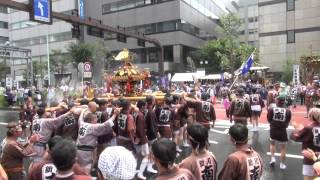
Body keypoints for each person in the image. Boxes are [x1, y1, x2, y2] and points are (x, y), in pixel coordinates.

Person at [76, 106, 119, 173]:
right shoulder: (92, 127)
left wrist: (82, 111)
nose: (97, 120)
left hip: (79, 149)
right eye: (95, 119)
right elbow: (105, 125)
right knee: (86, 167)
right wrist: (115, 114)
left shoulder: (82, 124)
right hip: (86, 151)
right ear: (91, 120)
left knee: (81, 166)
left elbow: (80, 119)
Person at [291, 108, 320, 180]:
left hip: (310, 158)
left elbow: (295, 137)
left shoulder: (308, 128)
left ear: (311, 116)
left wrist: (297, 129)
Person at [267, 96, 292, 169]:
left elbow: (269, 119)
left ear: (277, 101)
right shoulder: (287, 111)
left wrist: (273, 124)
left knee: (272, 144)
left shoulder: (271, 109)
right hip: (282, 131)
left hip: (273, 129)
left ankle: (272, 158)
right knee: (283, 148)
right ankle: (282, 164)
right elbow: (288, 121)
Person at [135, 100, 157, 179]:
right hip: (143, 138)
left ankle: (139, 170)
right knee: (147, 155)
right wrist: (144, 138)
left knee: (140, 155)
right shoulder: (141, 115)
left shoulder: (138, 113)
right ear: (142, 107)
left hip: (140, 137)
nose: (146, 107)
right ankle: (140, 173)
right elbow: (140, 129)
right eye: (145, 105)